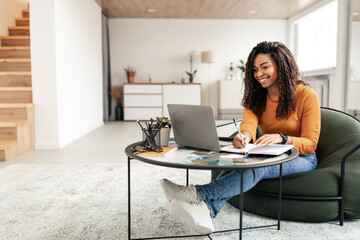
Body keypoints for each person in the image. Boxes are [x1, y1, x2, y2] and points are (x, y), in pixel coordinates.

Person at [160, 41, 321, 234]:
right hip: (270, 152)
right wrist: (243, 137)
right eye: (254, 69)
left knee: (258, 168)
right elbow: (249, 126)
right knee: (241, 163)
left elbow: (311, 144)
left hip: (301, 157)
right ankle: (208, 210)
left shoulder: (306, 95)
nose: (259, 74)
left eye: (264, 67)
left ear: (281, 64)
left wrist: (282, 138)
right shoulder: (257, 96)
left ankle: (197, 193)